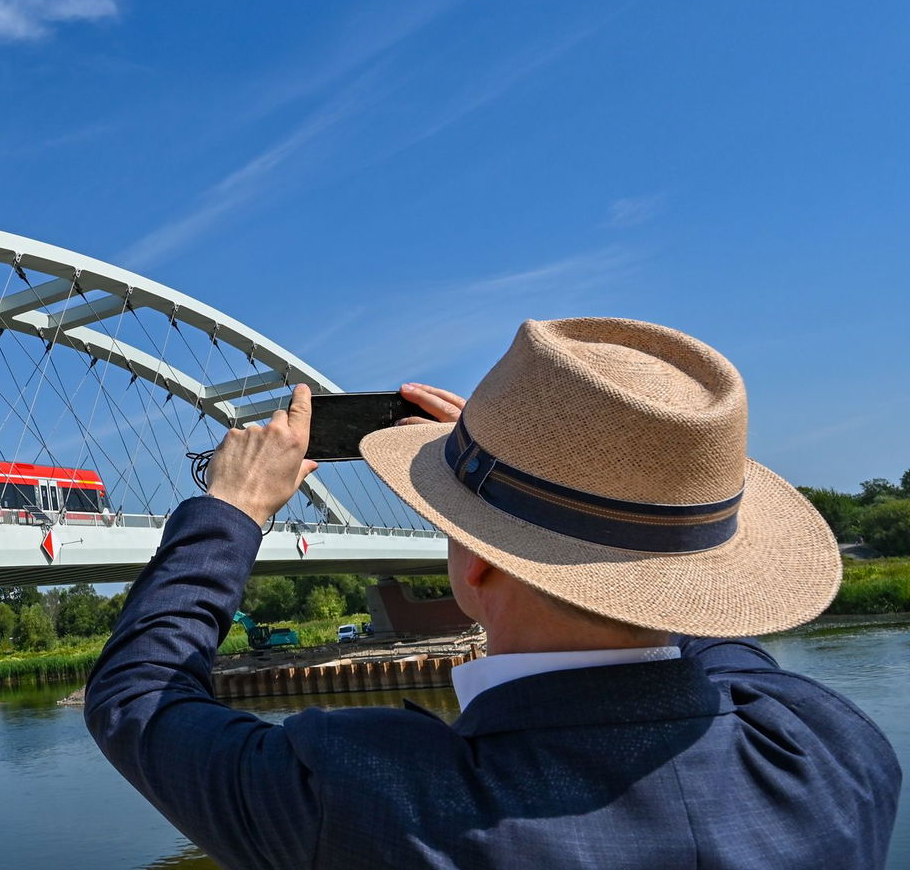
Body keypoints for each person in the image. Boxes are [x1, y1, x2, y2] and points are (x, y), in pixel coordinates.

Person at [85, 317, 901, 869]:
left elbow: (138, 695)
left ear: (476, 563)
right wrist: (544, 467)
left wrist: (229, 509)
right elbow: (707, 634)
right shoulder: (835, 755)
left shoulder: (362, 800)